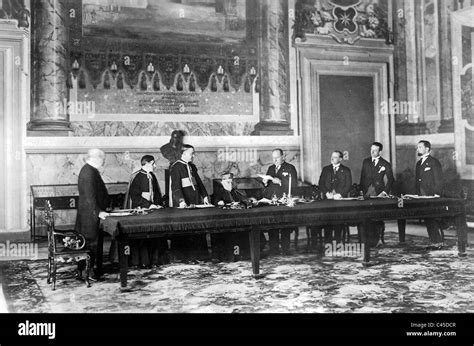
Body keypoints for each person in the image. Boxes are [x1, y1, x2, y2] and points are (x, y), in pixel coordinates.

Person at [123, 155, 169, 267]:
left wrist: (158, 205)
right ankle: (142, 261)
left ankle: (155, 260)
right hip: (141, 211)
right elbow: (135, 197)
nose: (155, 166)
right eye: (153, 164)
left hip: (153, 211)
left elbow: (156, 193)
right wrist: (149, 205)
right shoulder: (137, 177)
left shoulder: (152, 176)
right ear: (147, 163)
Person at [169, 144, 211, 261]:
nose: (193, 156)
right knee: (186, 229)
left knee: (198, 227)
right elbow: (176, 188)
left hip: (196, 200)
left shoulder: (192, 166)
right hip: (184, 202)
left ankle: (200, 255)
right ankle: (186, 257)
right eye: (191, 153)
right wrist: (181, 201)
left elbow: (199, 183)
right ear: (183, 154)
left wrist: (205, 196)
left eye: (193, 153)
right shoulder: (176, 167)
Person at [75, 149, 110, 278]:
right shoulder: (89, 172)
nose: (103, 162)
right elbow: (89, 197)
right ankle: (86, 272)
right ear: (96, 158)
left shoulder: (89, 170)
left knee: (90, 243)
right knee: (90, 243)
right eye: (103, 159)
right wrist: (98, 212)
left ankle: (87, 270)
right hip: (90, 216)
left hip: (90, 214)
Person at [311, 151, 352, 246]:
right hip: (327, 200)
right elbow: (321, 184)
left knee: (338, 220)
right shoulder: (326, 169)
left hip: (340, 201)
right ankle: (328, 242)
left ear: (340, 159)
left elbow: (348, 185)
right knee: (327, 220)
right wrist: (326, 193)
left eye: (335, 157)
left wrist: (340, 194)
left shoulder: (346, 170)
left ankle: (338, 242)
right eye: (332, 157)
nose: (332, 159)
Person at [262, 148, 298, 255]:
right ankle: (274, 249)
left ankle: (285, 249)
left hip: (284, 200)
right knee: (273, 225)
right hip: (272, 201)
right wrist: (265, 182)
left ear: (283, 157)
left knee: (284, 225)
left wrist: (281, 182)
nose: (275, 160)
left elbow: (294, 185)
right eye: (273, 158)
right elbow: (267, 185)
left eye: (277, 158)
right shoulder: (271, 168)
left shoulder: (290, 168)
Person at [359, 142, 394, 246]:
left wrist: (384, 192)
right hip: (366, 192)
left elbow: (391, 179)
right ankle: (367, 240)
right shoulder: (366, 162)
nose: (372, 152)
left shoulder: (385, 163)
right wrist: (361, 192)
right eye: (371, 150)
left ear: (380, 151)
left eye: (375, 150)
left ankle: (379, 239)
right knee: (366, 217)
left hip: (379, 193)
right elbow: (362, 178)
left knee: (378, 217)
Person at [211, 172, 251, 262]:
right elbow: (215, 201)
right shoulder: (218, 192)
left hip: (237, 219)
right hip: (224, 220)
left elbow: (244, 200)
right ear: (223, 182)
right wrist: (219, 202)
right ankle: (228, 256)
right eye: (227, 182)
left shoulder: (235, 192)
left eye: (230, 182)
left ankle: (240, 254)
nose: (229, 184)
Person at [415, 140, 444, 249]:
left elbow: (439, 180)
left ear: (427, 149)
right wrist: (417, 194)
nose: (418, 149)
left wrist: (437, 194)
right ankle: (434, 241)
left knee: (431, 218)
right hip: (422, 195)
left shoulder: (434, 162)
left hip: (432, 196)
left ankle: (437, 242)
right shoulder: (418, 163)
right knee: (428, 218)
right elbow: (417, 181)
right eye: (417, 147)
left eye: (420, 147)